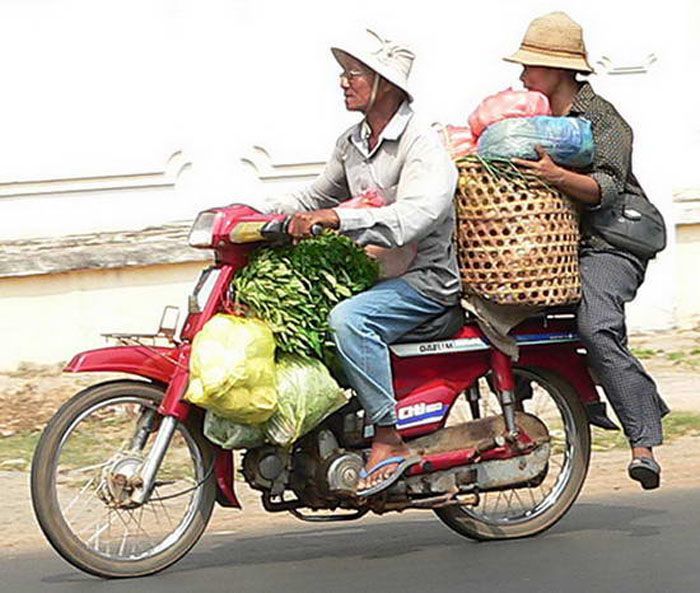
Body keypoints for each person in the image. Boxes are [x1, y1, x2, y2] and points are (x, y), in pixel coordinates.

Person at [266, 29, 460, 496]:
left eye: (353, 73)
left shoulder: (422, 143)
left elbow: (415, 216)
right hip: (377, 273)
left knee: (348, 320)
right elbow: (314, 195)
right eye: (345, 73)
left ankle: (388, 438)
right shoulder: (352, 142)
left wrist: (339, 219)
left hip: (424, 281)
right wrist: (256, 214)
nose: (343, 82)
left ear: (385, 85)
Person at [504, 12, 669, 489]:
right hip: (553, 248)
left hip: (610, 244)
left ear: (558, 69)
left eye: (531, 66)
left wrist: (557, 176)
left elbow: (608, 189)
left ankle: (644, 444)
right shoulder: (529, 120)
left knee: (596, 326)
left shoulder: (604, 120)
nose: (521, 75)